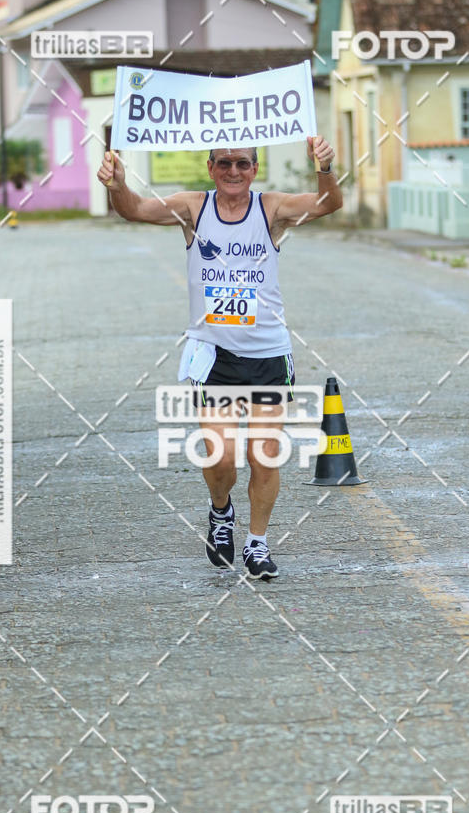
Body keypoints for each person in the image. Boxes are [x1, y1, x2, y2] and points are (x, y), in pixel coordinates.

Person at [97, 137, 342, 579]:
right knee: (220, 457)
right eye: (225, 163)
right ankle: (220, 510)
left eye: (243, 164)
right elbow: (134, 209)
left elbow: (327, 203)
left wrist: (324, 165)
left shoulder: (272, 209)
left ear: (254, 168)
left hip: (268, 354)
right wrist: (117, 184)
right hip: (214, 356)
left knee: (265, 454)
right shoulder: (193, 208)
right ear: (210, 167)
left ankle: (257, 544)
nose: (234, 171)